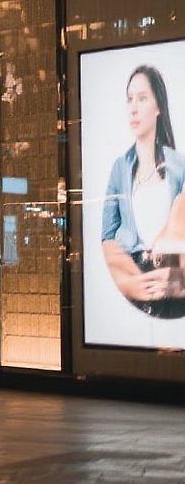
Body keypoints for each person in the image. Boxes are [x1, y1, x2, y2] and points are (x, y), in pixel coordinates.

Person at [100, 64, 185, 315]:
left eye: (142, 98)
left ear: (159, 107)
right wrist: (129, 282)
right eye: (129, 99)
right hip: (133, 281)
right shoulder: (119, 168)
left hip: (173, 284)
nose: (133, 108)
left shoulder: (179, 166)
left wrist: (179, 277)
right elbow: (106, 236)